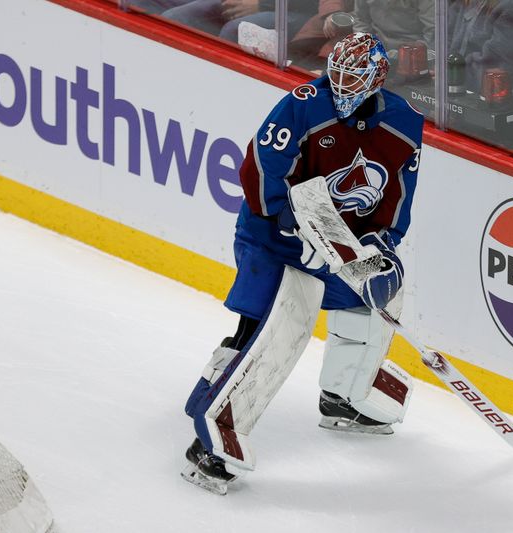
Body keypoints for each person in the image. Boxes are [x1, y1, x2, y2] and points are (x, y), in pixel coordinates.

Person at [181, 33, 424, 490]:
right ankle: (214, 437)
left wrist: (382, 242)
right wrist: (290, 221)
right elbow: (259, 167)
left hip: (341, 241)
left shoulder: (405, 124)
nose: (342, 85)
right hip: (274, 234)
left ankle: (344, 397)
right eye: (337, 74)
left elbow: (397, 198)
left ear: (378, 78)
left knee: (379, 294)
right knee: (279, 325)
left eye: (354, 77)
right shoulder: (303, 104)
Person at [447, 0, 513, 109]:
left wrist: (451, 73)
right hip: (463, 81)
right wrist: (441, 65)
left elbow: (495, 65)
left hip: (500, 95)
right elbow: (446, 36)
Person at [162, 0, 318, 43]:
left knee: (237, 30)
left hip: (300, 12)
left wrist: (262, 4)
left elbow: (318, 4)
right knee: (178, 16)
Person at [352, 0, 435, 55]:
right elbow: (361, 20)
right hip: (378, 46)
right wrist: (362, 46)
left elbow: (435, 31)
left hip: (414, 51)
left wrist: (429, 58)